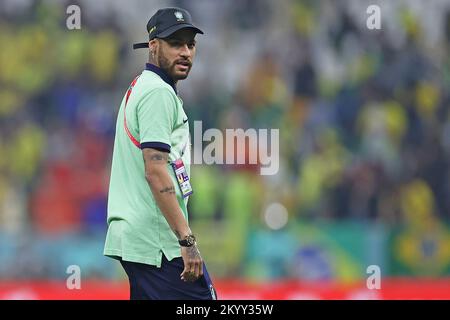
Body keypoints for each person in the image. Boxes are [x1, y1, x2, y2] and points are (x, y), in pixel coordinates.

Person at [104, 7, 217, 300]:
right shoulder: (157, 93)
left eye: (190, 44)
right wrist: (187, 240)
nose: (186, 53)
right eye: (175, 43)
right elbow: (155, 170)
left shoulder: (143, 87)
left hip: (142, 240)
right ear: (153, 46)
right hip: (159, 243)